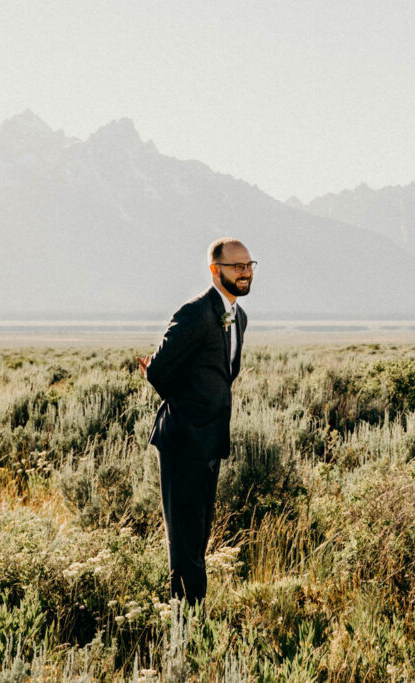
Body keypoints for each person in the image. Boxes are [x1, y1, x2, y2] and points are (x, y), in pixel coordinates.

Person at [137, 238, 254, 605]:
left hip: (211, 443)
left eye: (249, 265)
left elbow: (223, 376)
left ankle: (190, 617)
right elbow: (158, 371)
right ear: (214, 270)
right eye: (236, 266)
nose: (245, 272)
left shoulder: (239, 318)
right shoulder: (195, 313)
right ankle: (186, 625)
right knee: (185, 544)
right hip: (183, 442)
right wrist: (190, 408)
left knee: (199, 538)